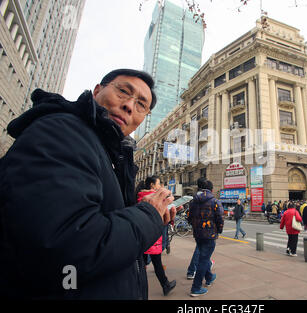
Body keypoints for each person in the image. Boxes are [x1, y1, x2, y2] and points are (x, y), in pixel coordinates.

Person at [0, 69, 178, 299]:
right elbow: (65, 247)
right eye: (124, 91)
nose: (129, 106)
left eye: (142, 105)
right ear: (97, 90)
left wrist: (143, 211)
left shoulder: (108, 155)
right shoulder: (62, 132)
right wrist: (148, 214)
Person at [137, 176, 176, 296]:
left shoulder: (139, 196)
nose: (160, 186)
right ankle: (165, 285)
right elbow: (168, 215)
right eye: (158, 184)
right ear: (152, 185)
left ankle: (139, 288)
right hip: (153, 236)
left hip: (141, 235)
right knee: (157, 263)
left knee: (141, 264)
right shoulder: (157, 198)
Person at [187, 178, 224, 297]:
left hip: (197, 234)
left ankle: (209, 277)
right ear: (211, 190)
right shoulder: (215, 201)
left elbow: (189, 217)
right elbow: (220, 219)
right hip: (210, 235)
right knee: (203, 259)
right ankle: (196, 288)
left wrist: (195, 227)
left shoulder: (193, 201)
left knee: (204, 256)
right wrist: (219, 230)